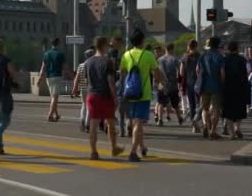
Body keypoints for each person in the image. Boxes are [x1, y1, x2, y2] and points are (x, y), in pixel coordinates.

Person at [120, 29, 166, 162]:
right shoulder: (148, 55)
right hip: (143, 93)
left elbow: (122, 73)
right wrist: (160, 83)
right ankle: (133, 152)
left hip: (129, 93)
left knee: (135, 122)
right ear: (142, 41)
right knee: (139, 123)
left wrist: (123, 90)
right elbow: (156, 72)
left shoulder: (126, 55)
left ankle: (142, 147)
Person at [79, 37, 124, 160]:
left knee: (93, 124)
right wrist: (115, 97)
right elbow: (110, 81)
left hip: (92, 95)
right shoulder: (107, 61)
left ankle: (94, 152)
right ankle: (114, 148)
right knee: (110, 124)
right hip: (105, 96)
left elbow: (87, 80)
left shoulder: (88, 62)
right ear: (103, 46)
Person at [37, 38, 74, 122]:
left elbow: (43, 67)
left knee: (53, 97)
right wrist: (72, 76)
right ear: (59, 44)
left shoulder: (46, 54)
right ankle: (50, 115)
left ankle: (56, 114)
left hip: (49, 77)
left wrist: (39, 78)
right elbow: (65, 67)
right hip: (57, 76)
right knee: (55, 97)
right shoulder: (60, 54)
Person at [197, 36, 225, 140]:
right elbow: (222, 73)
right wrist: (222, 83)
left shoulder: (203, 56)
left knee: (205, 108)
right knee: (216, 109)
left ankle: (205, 125)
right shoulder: (220, 57)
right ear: (217, 45)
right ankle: (213, 131)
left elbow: (197, 70)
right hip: (216, 86)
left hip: (204, 85)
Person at [222, 42, 249, 140]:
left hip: (228, 88)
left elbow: (222, 74)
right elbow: (246, 75)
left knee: (228, 112)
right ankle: (238, 128)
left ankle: (232, 133)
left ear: (228, 49)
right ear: (237, 49)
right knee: (239, 110)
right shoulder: (242, 60)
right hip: (240, 88)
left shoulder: (224, 60)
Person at [157, 43, 184, 126]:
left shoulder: (160, 60)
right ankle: (179, 118)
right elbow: (180, 70)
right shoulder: (175, 59)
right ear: (172, 49)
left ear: (165, 49)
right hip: (173, 84)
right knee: (175, 104)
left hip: (162, 84)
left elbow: (157, 71)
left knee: (161, 103)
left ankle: (160, 119)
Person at [180, 39, 202, 133]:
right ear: (196, 46)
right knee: (199, 104)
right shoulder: (200, 57)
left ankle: (194, 126)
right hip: (199, 83)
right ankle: (197, 121)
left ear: (189, 47)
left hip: (189, 83)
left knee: (191, 105)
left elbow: (181, 72)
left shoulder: (184, 57)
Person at [72, 48, 95, 133]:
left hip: (82, 89)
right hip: (91, 88)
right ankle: (87, 124)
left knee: (84, 105)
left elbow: (77, 78)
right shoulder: (92, 65)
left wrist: (74, 88)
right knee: (90, 107)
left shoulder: (81, 65)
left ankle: (82, 121)